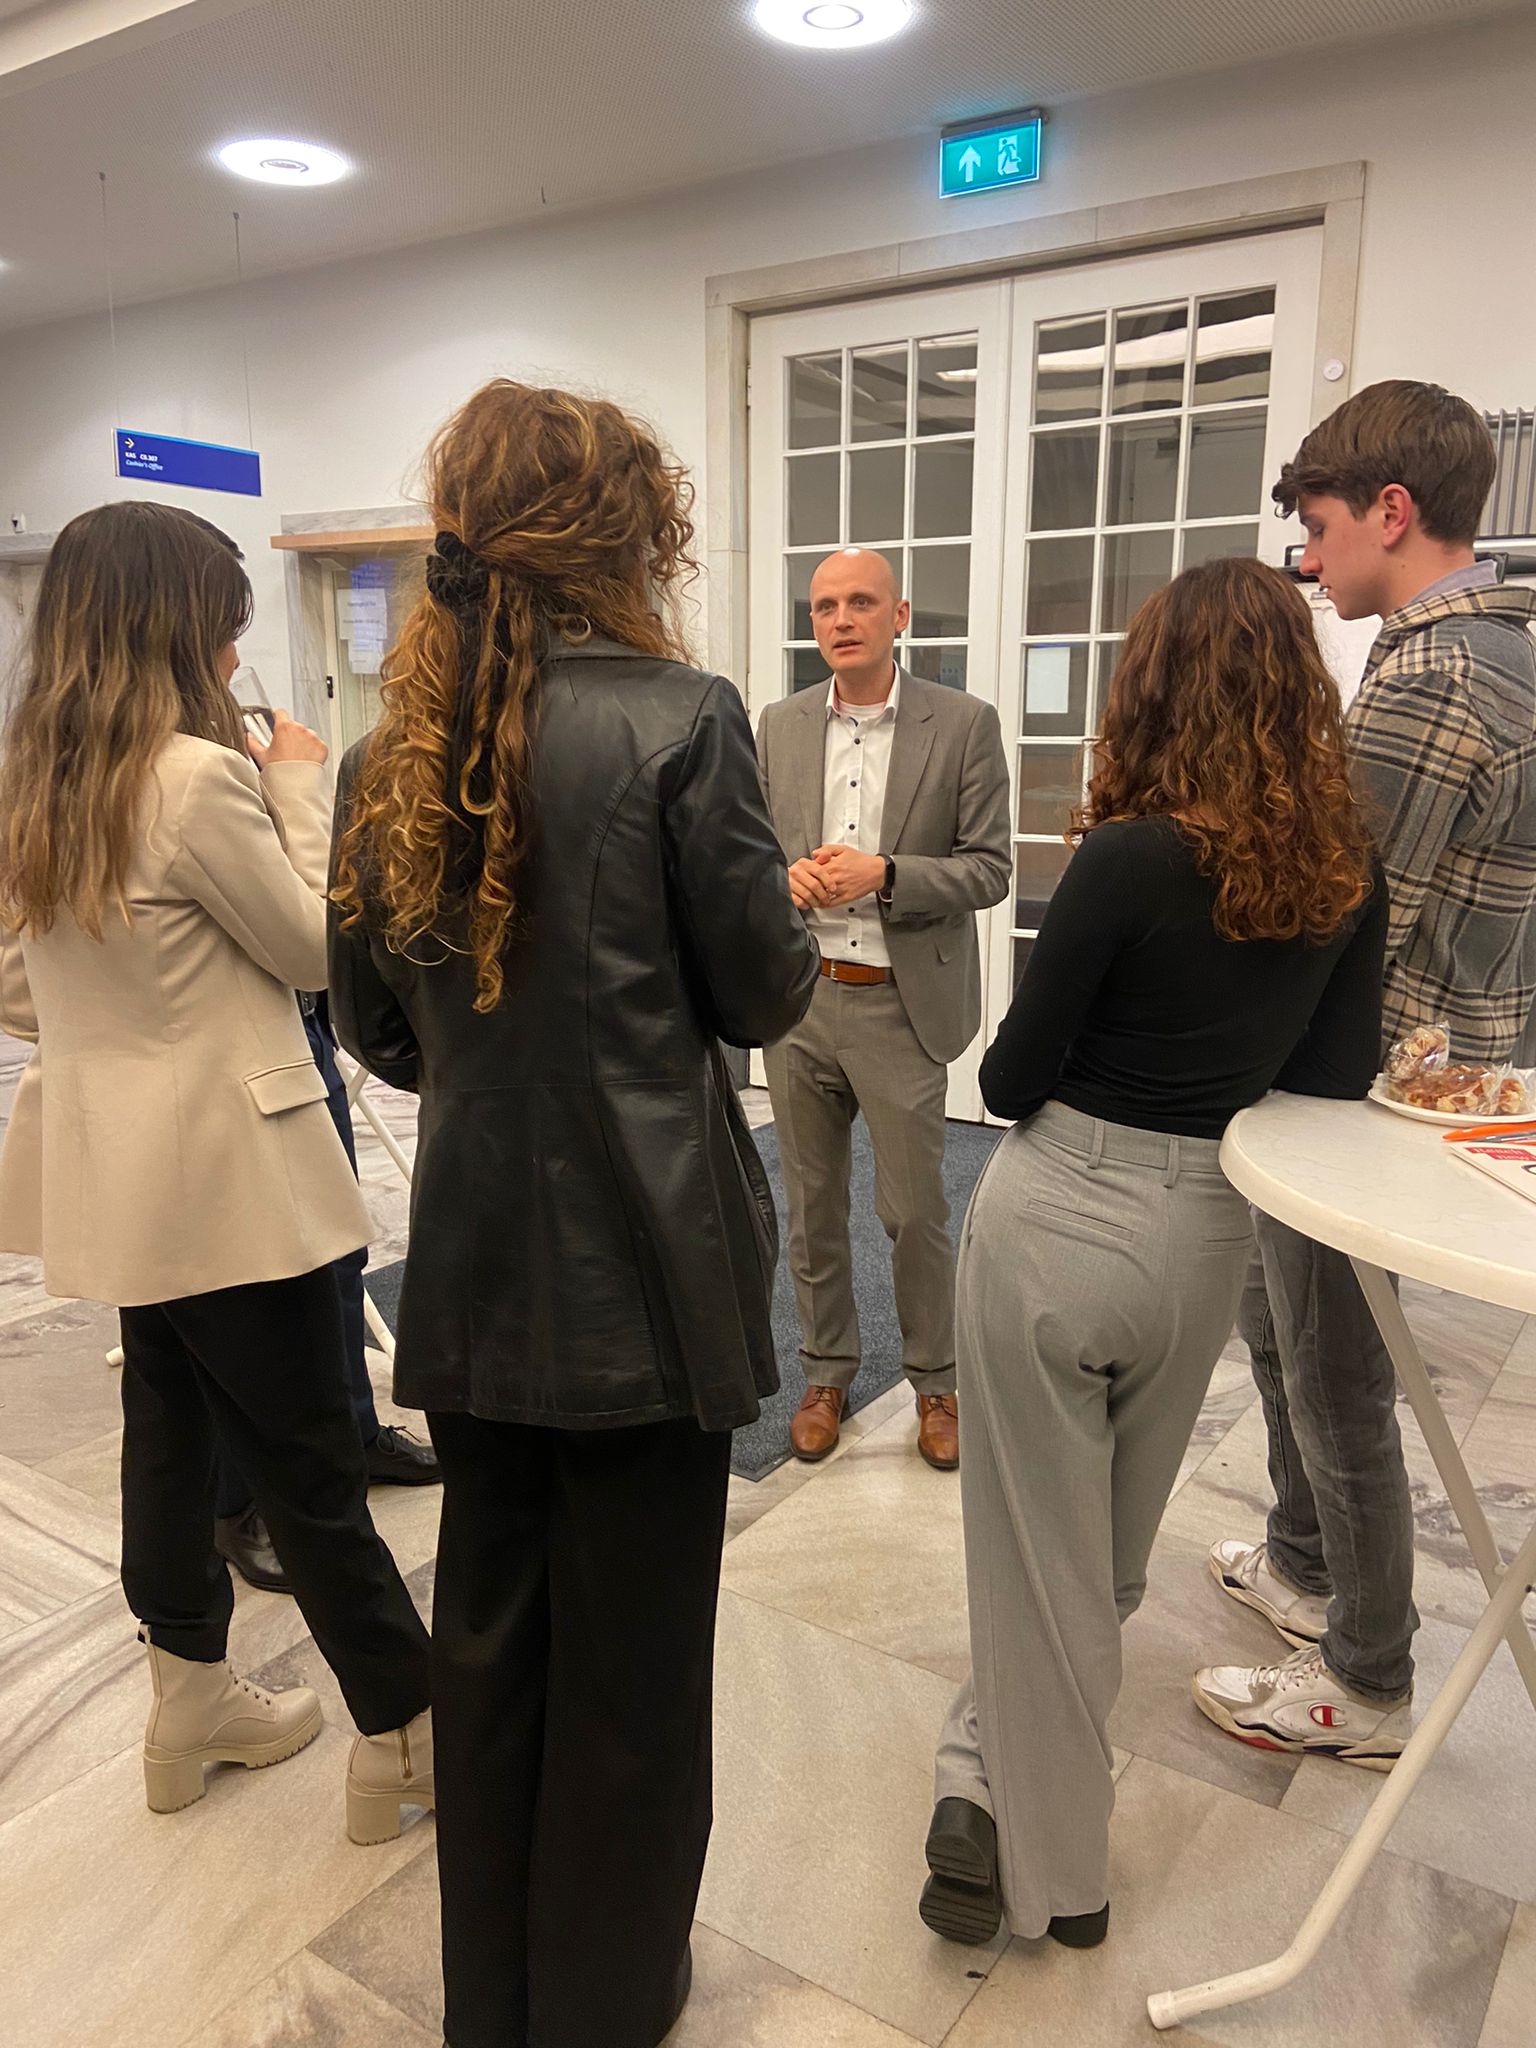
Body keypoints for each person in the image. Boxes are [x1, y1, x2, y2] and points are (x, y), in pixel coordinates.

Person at [329, 379, 818, 2048]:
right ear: (626, 529)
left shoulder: (386, 753)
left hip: (469, 1260)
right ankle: (605, 2005)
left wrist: (495, 1062)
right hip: (647, 1266)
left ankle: (497, 2002)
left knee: (489, 1642)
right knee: (634, 1669)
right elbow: (761, 991)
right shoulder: (683, 715)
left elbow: (377, 1025)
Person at [920, 558, 1387, 1951]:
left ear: (1153, 687)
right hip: (1202, 1233)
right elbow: (1336, 1071)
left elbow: (1008, 1080)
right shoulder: (1341, 869)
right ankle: (975, 1767)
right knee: (1106, 1556)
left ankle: (1058, 1878)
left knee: (1033, 1551)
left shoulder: (1126, 857)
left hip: (1059, 1210)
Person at [0, 501, 433, 1844]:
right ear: (175, 626)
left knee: (172, 1439)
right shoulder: (193, 777)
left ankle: (188, 1702)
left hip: (120, 1180)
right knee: (310, 1462)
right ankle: (407, 1733)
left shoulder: (37, 776)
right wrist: (300, 788)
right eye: (226, 624)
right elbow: (314, 951)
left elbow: (14, 984)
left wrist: (125, 1023)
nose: (237, 651)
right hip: (236, 1182)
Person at [1195, 382, 1536, 1764]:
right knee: (1279, 1330)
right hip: (1405, 1070)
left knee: (1334, 1373)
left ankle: (1370, 1676)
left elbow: (1328, 906)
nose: (1309, 559)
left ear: (1394, 512)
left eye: (1323, 528)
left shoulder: (1438, 674)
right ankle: (1303, 1560)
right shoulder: (1488, 649)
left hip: (1372, 1082)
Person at [755, 546, 1011, 1468]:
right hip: (801, 1002)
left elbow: (991, 868)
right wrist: (781, 877)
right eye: (825, 606)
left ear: (899, 616)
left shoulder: (963, 723)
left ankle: (936, 1383)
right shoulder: (778, 724)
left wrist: (887, 874)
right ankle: (825, 1372)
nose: (841, 619)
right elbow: (748, 848)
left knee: (913, 1213)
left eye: (861, 602)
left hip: (901, 1006)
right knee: (812, 1209)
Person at [213, 987, 442, 1600]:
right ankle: (235, 1500)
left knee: (340, 1253)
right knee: (239, 1291)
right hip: (220, 1048)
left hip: (302, 1031)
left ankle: (357, 1435)